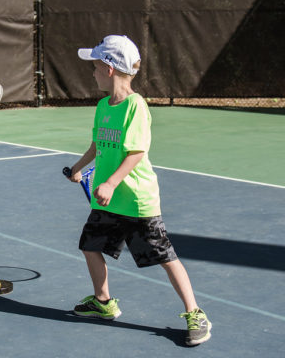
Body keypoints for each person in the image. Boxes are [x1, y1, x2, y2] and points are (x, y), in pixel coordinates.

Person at [67, 35, 211, 346]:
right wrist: (79, 167)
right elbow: (97, 144)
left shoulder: (136, 106)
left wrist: (110, 182)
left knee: (164, 256)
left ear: (108, 69)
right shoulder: (104, 105)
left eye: (94, 67)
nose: (91, 72)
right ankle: (103, 302)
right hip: (108, 201)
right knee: (89, 245)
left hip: (136, 201)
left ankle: (195, 312)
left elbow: (136, 152)